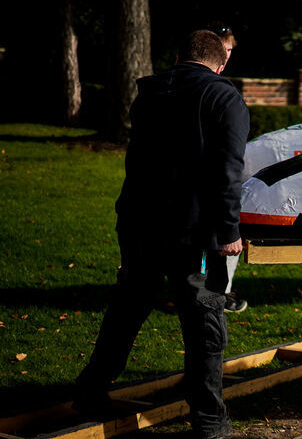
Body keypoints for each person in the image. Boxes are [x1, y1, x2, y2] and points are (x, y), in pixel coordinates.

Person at [74, 30, 249, 439]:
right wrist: (228, 231)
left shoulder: (148, 94)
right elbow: (227, 171)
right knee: (204, 318)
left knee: (128, 308)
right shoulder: (225, 97)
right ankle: (208, 420)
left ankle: (89, 392)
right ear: (221, 63)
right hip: (192, 229)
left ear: (176, 58)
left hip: (138, 221)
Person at [207, 24, 247, 314]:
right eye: (222, 50)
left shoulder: (226, 90)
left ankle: (221, 290)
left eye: (230, 50)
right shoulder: (215, 91)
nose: (226, 56)